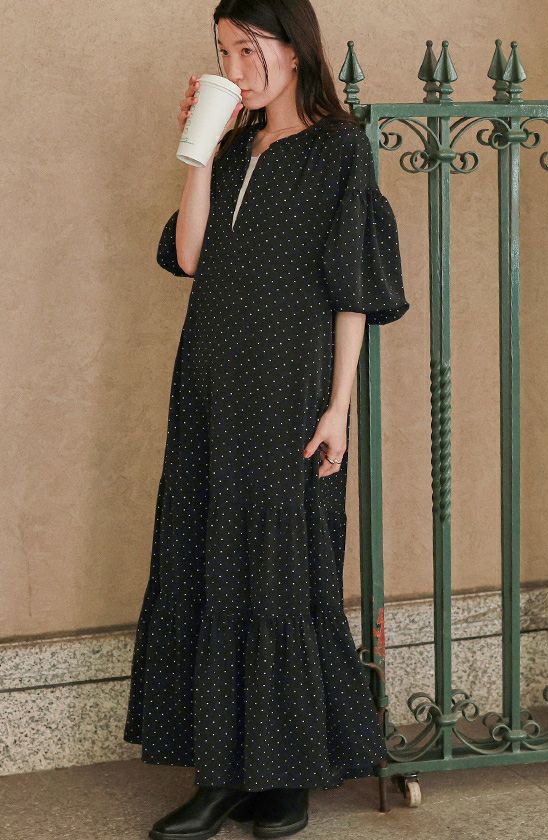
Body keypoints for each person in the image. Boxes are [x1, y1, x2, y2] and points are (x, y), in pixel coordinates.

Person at [122, 1, 410, 838]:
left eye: (248, 50)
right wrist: (202, 150)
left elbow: (353, 290)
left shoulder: (340, 149)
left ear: (293, 50)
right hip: (208, 384)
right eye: (223, 52)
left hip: (289, 390)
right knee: (210, 559)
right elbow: (189, 256)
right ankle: (220, 775)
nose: (235, 67)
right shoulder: (235, 146)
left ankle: (284, 777)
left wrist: (338, 407)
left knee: (283, 569)